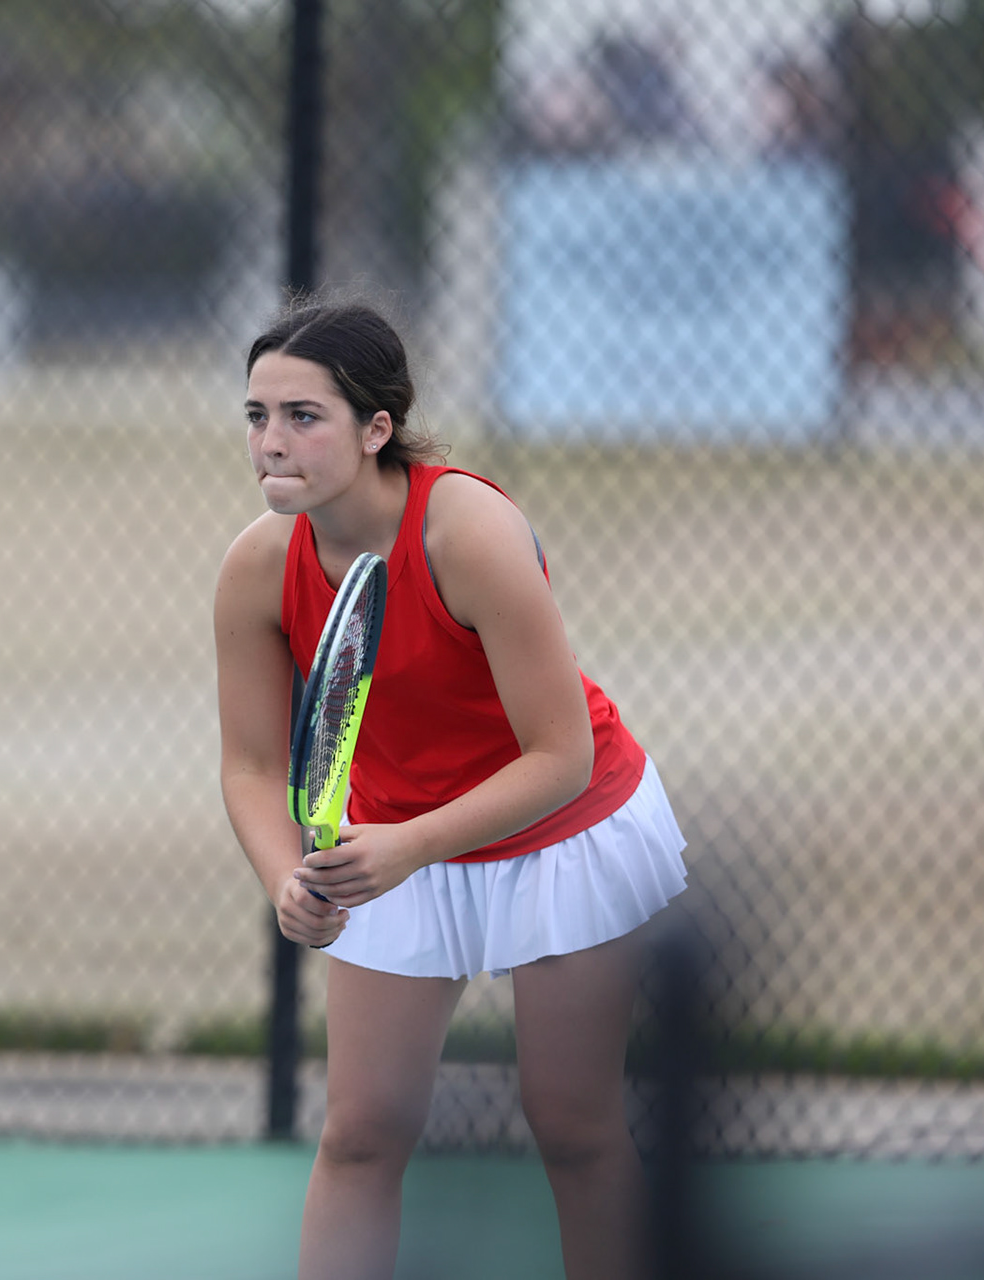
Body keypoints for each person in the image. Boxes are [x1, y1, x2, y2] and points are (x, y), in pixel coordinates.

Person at [214, 299, 687, 1280]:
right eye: (257, 415)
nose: (271, 441)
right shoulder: (258, 566)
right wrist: (283, 879)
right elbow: (254, 766)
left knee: (573, 1122)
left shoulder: (468, 532)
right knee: (361, 1131)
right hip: (397, 845)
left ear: (376, 427)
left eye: (303, 415)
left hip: (564, 825)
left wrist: (410, 845)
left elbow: (556, 754)